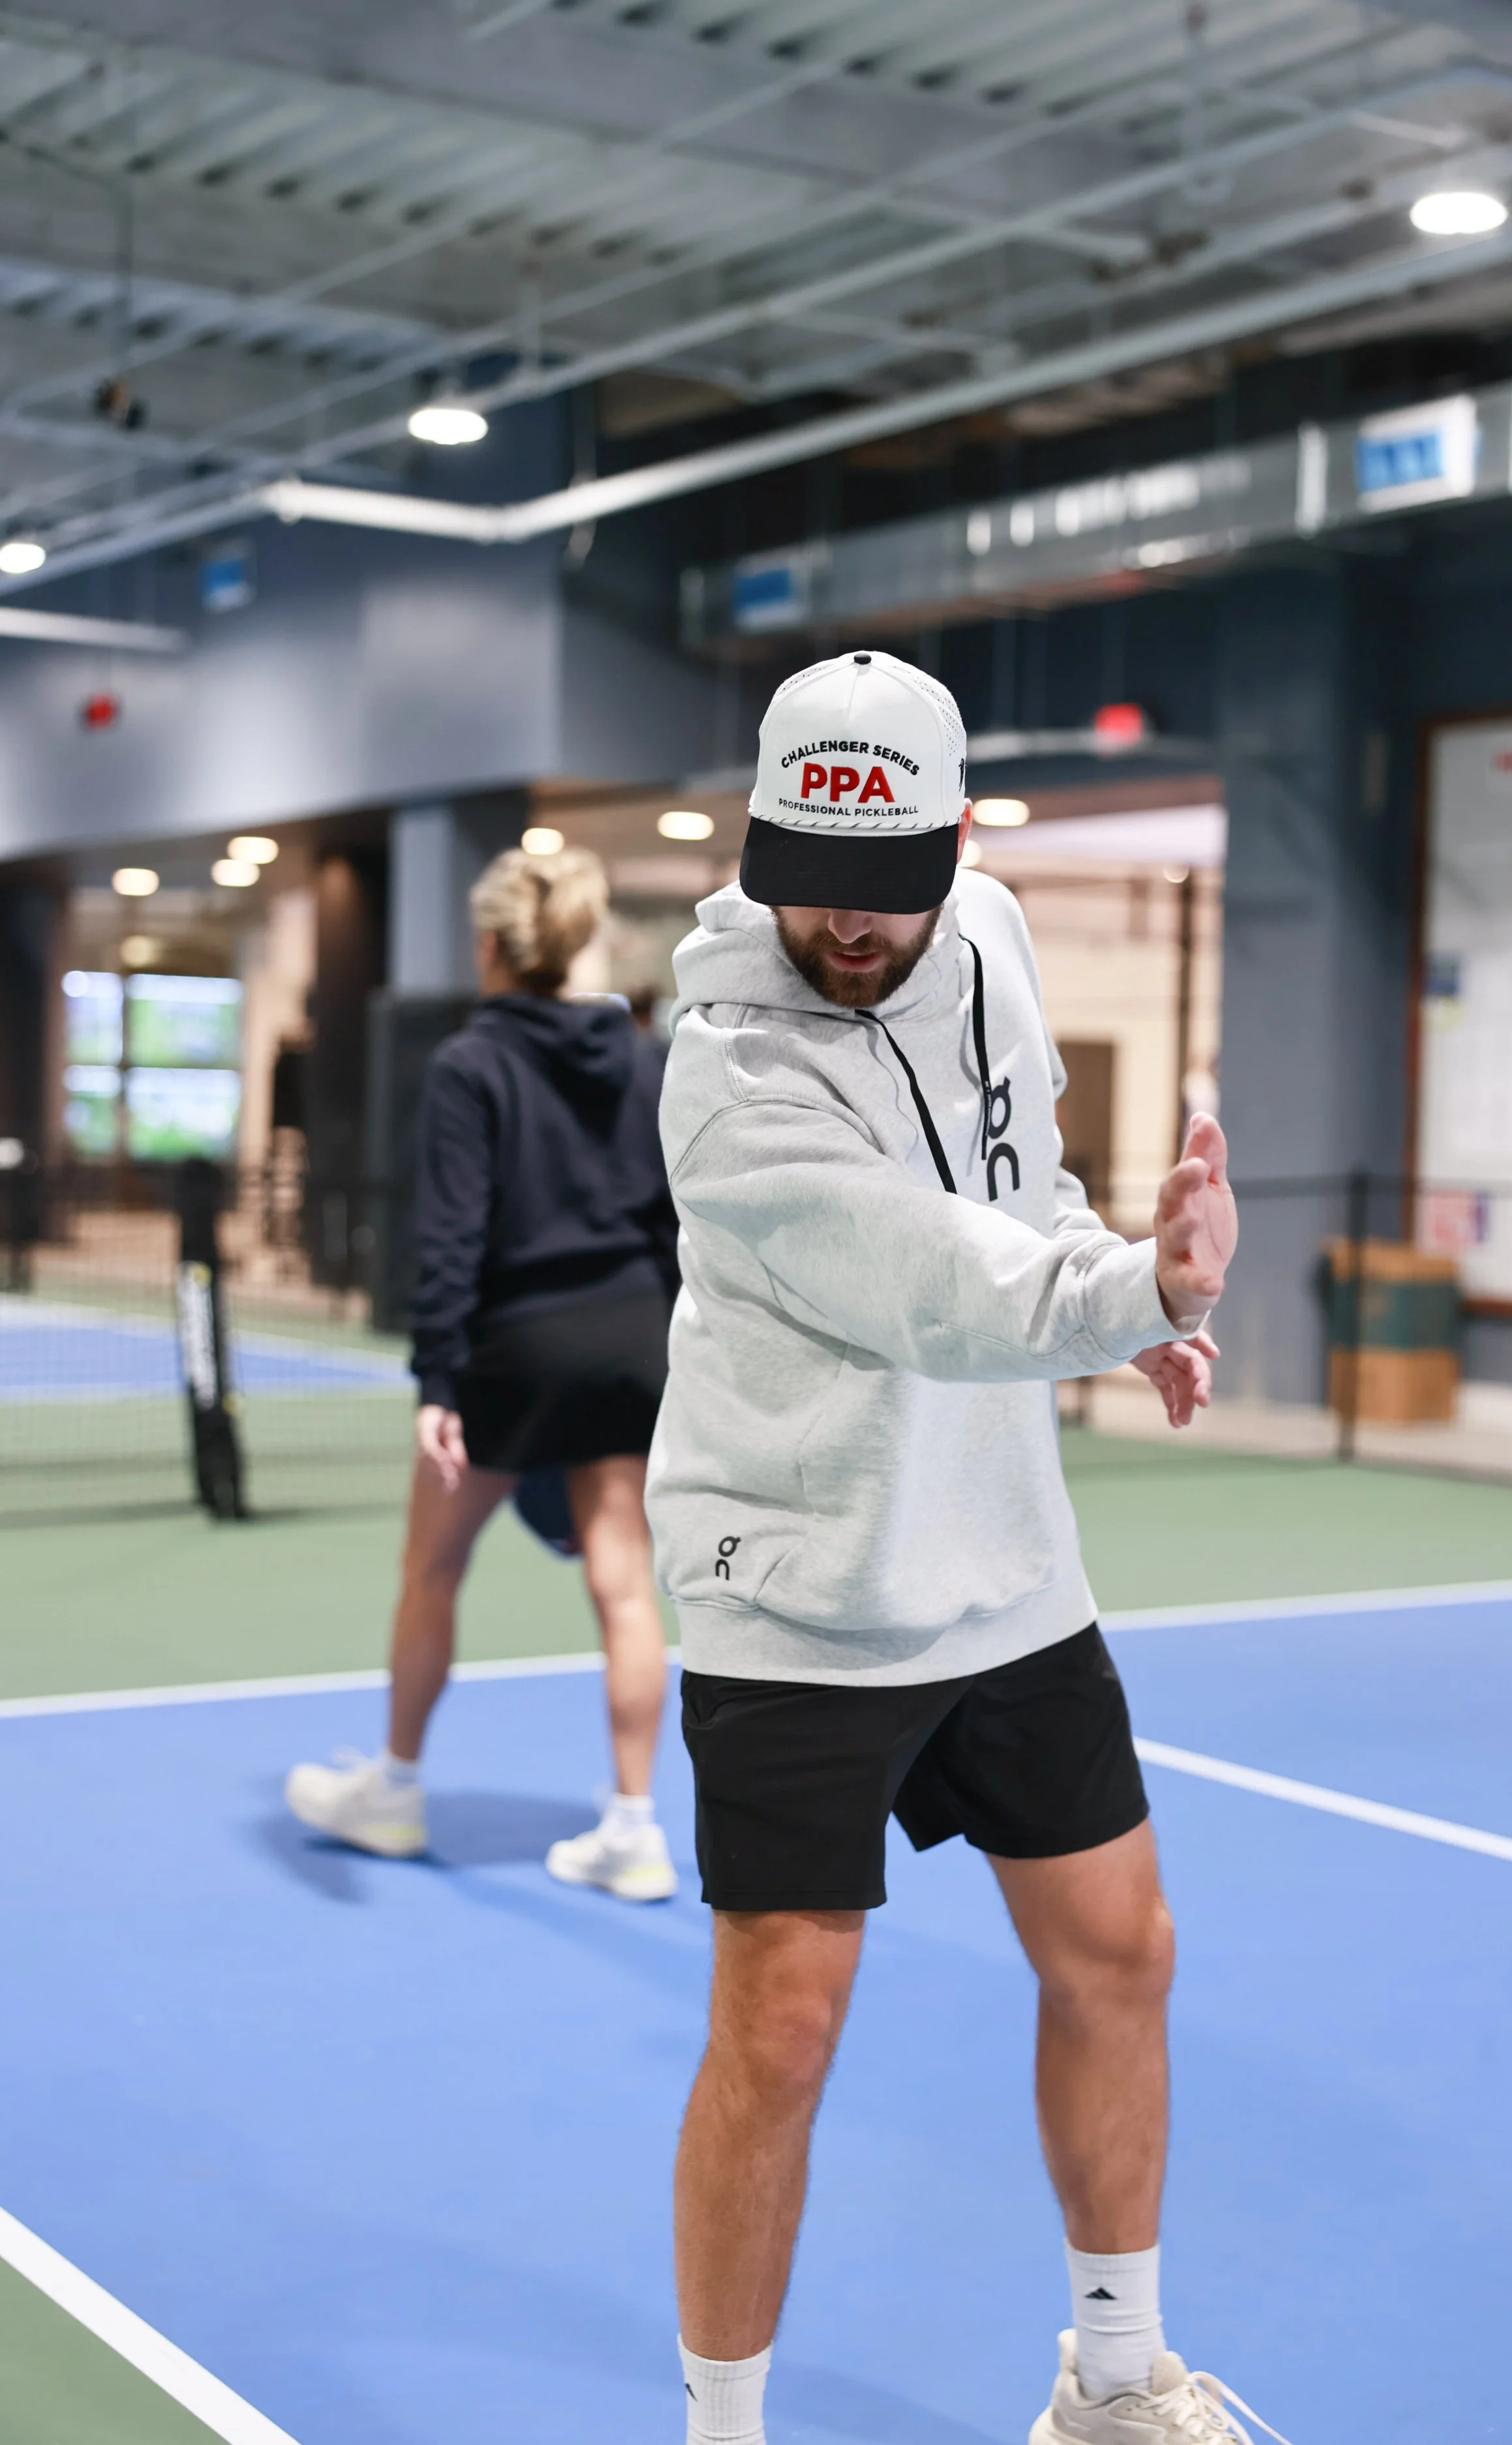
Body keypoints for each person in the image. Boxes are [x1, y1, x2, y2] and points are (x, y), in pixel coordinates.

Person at [646, 651, 1286, 2444]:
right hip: (797, 1587)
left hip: (1004, 1559)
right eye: (808, 875)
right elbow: (930, 1286)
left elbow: (1015, 1195)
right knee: (778, 2034)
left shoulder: (989, 935)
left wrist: (1111, 1290)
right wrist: (1127, 1289)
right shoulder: (725, 1076)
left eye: (887, 881)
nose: (845, 923)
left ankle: (1109, 2378)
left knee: (1120, 1951)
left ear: (954, 839)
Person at [286, 844, 680, 1903]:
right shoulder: (646, 1057)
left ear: (495, 947)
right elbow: (673, 1219)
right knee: (624, 1583)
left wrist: (437, 1381)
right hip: (635, 1340)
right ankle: (635, 1828)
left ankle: (396, 1792)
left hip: (517, 1351)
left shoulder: (470, 1063)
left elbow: (451, 1236)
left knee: (432, 1570)